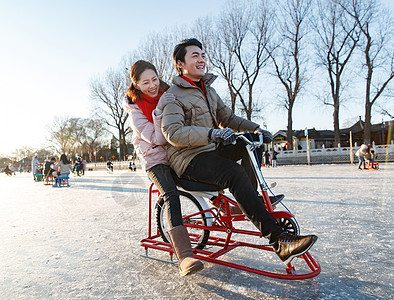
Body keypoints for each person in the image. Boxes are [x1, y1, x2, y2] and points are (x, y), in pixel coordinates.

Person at [161, 38, 317, 264]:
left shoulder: (209, 90)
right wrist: (211, 134)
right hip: (188, 159)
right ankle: (279, 241)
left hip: (210, 150)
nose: (202, 59)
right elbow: (173, 132)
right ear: (180, 64)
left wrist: (257, 129)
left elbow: (229, 118)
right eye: (195, 56)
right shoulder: (174, 95)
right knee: (234, 172)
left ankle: (249, 199)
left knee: (249, 143)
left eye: (203, 55)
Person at [123, 60, 203, 276]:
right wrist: (159, 110)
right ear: (136, 85)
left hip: (176, 152)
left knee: (200, 171)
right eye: (146, 82)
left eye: (155, 79)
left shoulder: (168, 93)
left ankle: (223, 204)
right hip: (155, 159)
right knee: (171, 194)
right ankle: (184, 256)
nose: (152, 85)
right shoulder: (136, 112)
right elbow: (158, 139)